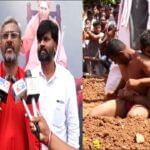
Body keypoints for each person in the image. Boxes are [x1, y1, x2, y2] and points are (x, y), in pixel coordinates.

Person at [30, 19, 79, 150]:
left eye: (46, 39)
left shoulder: (66, 78)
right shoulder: (30, 77)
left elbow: (73, 123)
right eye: (39, 40)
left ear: (56, 45)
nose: (41, 44)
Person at [0, 17, 40, 149]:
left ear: (21, 44)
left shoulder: (29, 82)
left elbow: (36, 127)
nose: (9, 39)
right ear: (0, 44)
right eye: (5, 36)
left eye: (14, 35)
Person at [90, 39, 150, 118]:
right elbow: (125, 78)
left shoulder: (142, 61)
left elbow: (134, 80)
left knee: (133, 117)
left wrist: (139, 82)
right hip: (126, 100)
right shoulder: (122, 61)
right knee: (94, 114)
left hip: (143, 104)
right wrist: (115, 92)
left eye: (114, 60)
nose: (114, 63)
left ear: (121, 54)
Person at [22, 0, 67, 70]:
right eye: (41, 8)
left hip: (51, 56)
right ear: (38, 8)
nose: (43, 11)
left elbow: (58, 46)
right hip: (35, 58)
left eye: (45, 9)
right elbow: (26, 43)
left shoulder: (54, 24)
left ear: (49, 10)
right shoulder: (33, 23)